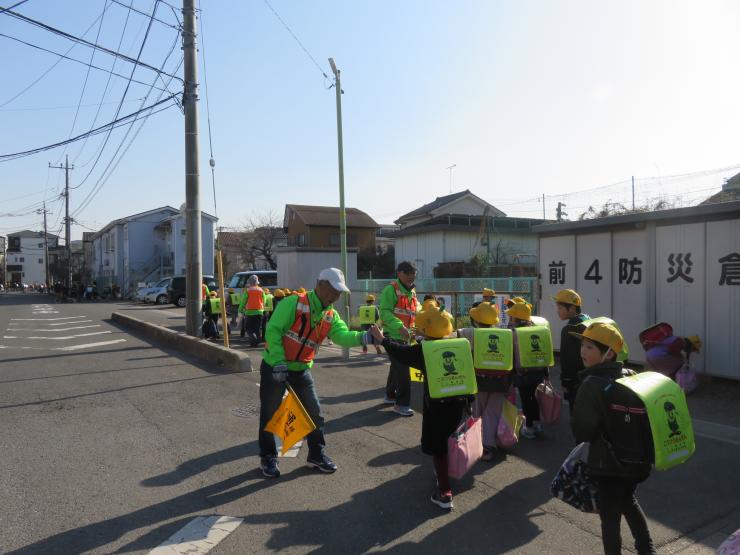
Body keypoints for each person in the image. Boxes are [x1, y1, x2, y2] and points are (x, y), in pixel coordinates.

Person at [258, 268, 374, 478]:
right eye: (334, 290)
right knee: (270, 413)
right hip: (275, 367)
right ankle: (268, 456)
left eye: (339, 292)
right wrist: (278, 362)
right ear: (320, 285)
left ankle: (316, 454)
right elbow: (273, 330)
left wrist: (365, 338)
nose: (336, 296)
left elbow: (341, 336)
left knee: (315, 413)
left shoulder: (330, 314)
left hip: (301, 370)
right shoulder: (293, 303)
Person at [372, 306, 470, 510]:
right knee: (452, 439)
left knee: (439, 448)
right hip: (458, 403)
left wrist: (382, 339)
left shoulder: (424, 351)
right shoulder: (460, 344)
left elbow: (401, 353)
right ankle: (449, 471)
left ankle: (445, 492)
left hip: (436, 406)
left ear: (426, 330)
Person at [570, 322, 655, 555]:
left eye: (589, 347)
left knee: (610, 520)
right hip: (636, 461)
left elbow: (583, 432)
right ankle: (647, 549)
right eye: (583, 346)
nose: (583, 352)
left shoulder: (591, 384)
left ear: (609, 353)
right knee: (628, 500)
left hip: (606, 463)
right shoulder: (631, 376)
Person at [456, 301, 510, 460]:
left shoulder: (470, 333)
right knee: (493, 414)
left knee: (477, 412)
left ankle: (477, 443)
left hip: (479, 381)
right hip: (500, 382)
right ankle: (489, 445)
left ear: (477, 320)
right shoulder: (505, 334)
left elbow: (451, 334)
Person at [379, 261, 419, 417]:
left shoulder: (412, 292)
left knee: (396, 368)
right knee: (403, 371)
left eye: (413, 274)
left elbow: (415, 312)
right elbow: (384, 312)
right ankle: (402, 404)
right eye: (408, 274)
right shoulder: (391, 290)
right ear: (399, 273)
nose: (411, 277)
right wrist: (400, 326)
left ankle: (389, 395)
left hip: (406, 336)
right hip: (393, 335)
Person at [507, 300, 548, 439]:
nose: (510, 318)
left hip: (522, 373)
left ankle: (529, 427)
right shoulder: (537, 330)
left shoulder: (514, 332)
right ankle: (537, 424)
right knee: (534, 398)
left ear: (516, 318)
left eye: (511, 316)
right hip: (538, 371)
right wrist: (546, 373)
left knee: (526, 399)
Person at [552, 289, 590, 416]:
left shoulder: (569, 329)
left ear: (572, 308)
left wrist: (566, 381)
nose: (558, 311)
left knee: (575, 414)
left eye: (561, 308)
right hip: (589, 377)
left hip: (575, 381)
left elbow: (568, 359)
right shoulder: (588, 321)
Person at [238, 275, 266, 347]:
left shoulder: (248, 290)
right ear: (257, 282)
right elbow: (264, 300)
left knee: (249, 328)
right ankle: (257, 342)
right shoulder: (261, 290)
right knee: (257, 327)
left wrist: (240, 309)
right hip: (260, 311)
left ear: (249, 282)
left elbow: (243, 301)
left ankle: (253, 339)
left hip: (249, 312)